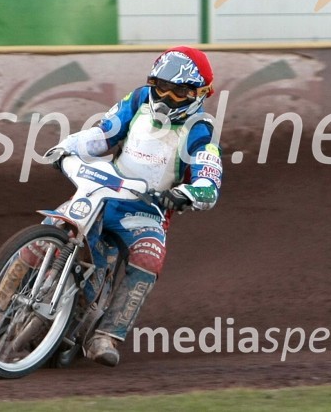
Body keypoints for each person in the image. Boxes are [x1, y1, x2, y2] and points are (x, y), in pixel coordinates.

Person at [50, 46, 223, 366]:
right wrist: (67, 146)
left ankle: (108, 334)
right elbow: (104, 135)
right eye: (161, 87)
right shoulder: (139, 99)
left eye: (180, 91)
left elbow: (209, 182)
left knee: (149, 257)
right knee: (54, 228)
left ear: (200, 93)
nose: (166, 97)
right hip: (102, 192)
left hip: (147, 211)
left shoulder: (201, 129)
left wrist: (187, 194)